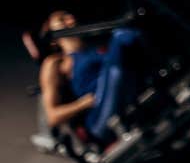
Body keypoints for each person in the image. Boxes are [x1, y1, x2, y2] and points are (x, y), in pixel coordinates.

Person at [24, 11, 144, 147]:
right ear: (53, 39)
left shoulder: (97, 50)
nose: (71, 19)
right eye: (62, 20)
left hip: (124, 100)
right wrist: (82, 104)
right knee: (122, 36)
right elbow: (52, 117)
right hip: (99, 118)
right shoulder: (57, 62)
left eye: (70, 16)